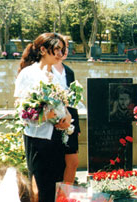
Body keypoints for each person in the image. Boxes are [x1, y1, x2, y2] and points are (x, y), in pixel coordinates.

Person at [14, 33, 72, 202]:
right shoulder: (27, 74)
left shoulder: (57, 75)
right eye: (56, 50)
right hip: (36, 137)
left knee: (55, 185)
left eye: (62, 50)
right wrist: (44, 116)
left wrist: (66, 118)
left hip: (57, 137)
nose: (61, 54)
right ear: (43, 50)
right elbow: (20, 110)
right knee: (39, 189)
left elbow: (64, 104)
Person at [53, 35, 81, 184]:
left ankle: (65, 196)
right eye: (60, 48)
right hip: (52, 124)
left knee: (73, 161)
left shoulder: (69, 72)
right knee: (56, 164)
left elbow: (73, 101)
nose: (64, 51)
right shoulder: (45, 70)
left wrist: (76, 126)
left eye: (67, 48)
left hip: (70, 123)